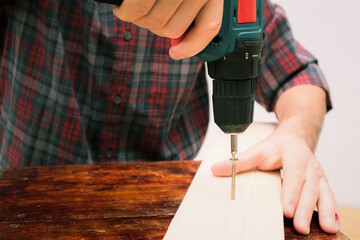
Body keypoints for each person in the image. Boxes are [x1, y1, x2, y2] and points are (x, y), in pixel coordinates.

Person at [0, 0, 338, 235]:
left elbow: (298, 73)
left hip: (163, 207)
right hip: (27, 203)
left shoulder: (228, 5)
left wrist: (296, 133)